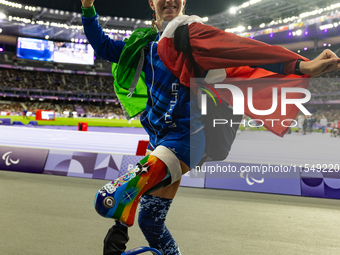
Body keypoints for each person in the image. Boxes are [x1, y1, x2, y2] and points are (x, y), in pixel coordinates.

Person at [81, 0, 340, 254]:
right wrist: (87, 7)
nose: (169, 0)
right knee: (151, 222)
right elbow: (102, 46)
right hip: (159, 143)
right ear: (151, 2)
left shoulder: (190, 33)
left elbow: (242, 50)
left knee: (108, 199)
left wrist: (301, 65)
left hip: (185, 140)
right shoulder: (144, 47)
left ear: (184, 1)